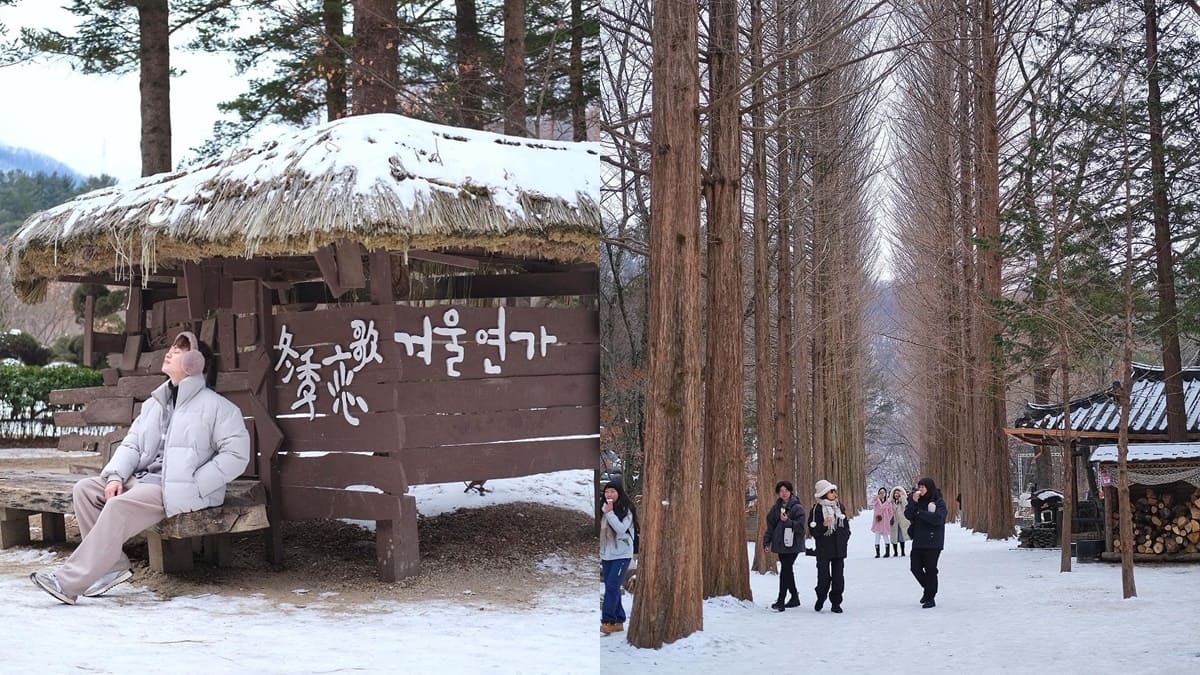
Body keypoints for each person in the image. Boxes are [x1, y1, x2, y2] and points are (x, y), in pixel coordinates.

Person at [30, 331, 250, 605]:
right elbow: (131, 445)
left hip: (173, 488)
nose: (169, 353)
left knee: (116, 507)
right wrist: (115, 476)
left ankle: (67, 582)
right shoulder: (153, 404)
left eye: (179, 350)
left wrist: (196, 482)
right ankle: (112, 568)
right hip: (142, 481)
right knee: (85, 490)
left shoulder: (218, 408)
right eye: (171, 347)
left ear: (195, 362)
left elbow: (237, 455)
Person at [905, 477, 947, 609]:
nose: (920, 490)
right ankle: (928, 589)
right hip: (918, 540)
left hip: (933, 541)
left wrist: (919, 512)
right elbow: (908, 514)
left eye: (923, 487)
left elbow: (938, 519)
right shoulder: (916, 501)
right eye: (919, 487)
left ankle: (930, 596)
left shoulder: (938, 501)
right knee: (915, 567)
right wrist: (913, 503)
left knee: (930, 569)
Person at [808, 479, 850, 613]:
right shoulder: (816, 510)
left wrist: (845, 537)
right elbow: (813, 530)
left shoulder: (840, 507)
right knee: (823, 578)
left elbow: (845, 525)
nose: (834, 493)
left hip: (839, 549)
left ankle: (836, 603)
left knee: (838, 579)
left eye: (834, 491)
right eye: (831, 491)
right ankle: (821, 597)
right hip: (824, 550)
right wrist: (823, 526)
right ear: (824, 493)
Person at [762, 480, 805, 611]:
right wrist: (767, 541)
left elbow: (801, 528)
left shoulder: (797, 508)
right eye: (781, 491)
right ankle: (794, 597)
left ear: (791, 491)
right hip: (780, 545)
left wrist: (788, 521)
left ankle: (781, 600)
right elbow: (771, 526)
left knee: (785, 570)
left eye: (786, 490)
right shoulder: (775, 509)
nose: (784, 493)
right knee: (787, 571)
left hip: (793, 545)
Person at [600, 479, 636, 634]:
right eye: (607, 491)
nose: (609, 494)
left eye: (613, 491)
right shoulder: (602, 509)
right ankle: (619, 620)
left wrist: (610, 513)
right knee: (612, 588)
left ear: (619, 493)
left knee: (612, 587)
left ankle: (608, 620)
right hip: (606, 555)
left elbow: (621, 529)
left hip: (622, 554)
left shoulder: (626, 509)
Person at [870, 487, 893, 558]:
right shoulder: (876, 501)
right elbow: (872, 503)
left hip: (885, 522)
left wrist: (888, 518)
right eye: (880, 493)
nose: (882, 494)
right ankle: (877, 553)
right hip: (878, 521)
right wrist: (875, 498)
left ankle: (887, 552)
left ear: (886, 493)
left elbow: (890, 512)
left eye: (883, 492)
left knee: (885, 537)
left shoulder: (888, 502)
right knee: (877, 537)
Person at [889, 486, 912, 557]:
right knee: (894, 537)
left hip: (901, 521)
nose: (896, 494)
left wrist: (902, 497)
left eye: (898, 493)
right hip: (894, 521)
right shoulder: (891, 502)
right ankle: (895, 552)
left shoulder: (903, 500)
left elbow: (906, 505)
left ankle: (903, 551)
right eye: (895, 493)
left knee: (901, 536)